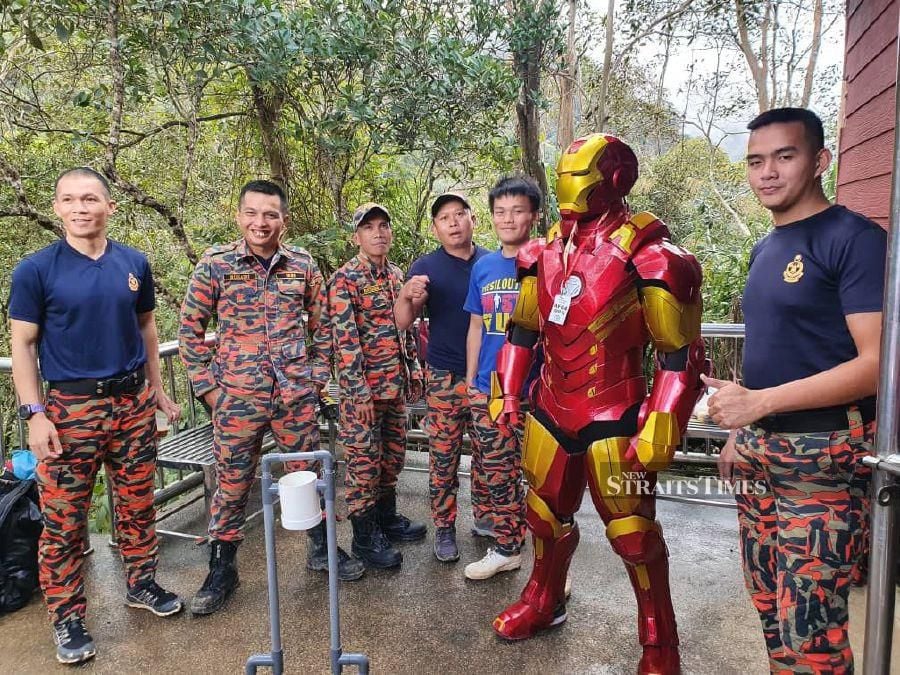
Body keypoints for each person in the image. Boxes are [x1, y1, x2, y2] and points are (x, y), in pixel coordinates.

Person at [489, 134, 707, 675]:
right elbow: (520, 332)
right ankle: (544, 600)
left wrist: (662, 422)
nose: (568, 186)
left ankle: (660, 643)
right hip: (550, 406)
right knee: (543, 516)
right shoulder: (545, 251)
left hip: (616, 412)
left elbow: (680, 354)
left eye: (578, 175)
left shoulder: (650, 254)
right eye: (562, 175)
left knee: (633, 535)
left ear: (613, 179)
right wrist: (508, 390)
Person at [705, 107, 886, 673]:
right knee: (768, 603)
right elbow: (775, 351)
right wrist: (743, 428)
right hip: (762, 449)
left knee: (811, 626)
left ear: (819, 161)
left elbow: (877, 363)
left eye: (785, 156)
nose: (768, 172)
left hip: (823, 455)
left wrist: (760, 404)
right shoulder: (765, 249)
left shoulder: (854, 239)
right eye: (756, 161)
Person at [9, 167, 183, 665]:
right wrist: (34, 414)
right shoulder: (37, 270)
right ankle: (67, 614)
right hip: (70, 409)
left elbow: (147, 329)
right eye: (69, 199)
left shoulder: (133, 262)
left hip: (131, 405)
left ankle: (142, 582)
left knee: (137, 503)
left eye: (90, 199)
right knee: (65, 520)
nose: (80, 208)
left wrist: (157, 389)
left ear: (109, 206)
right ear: (58, 208)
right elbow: (22, 345)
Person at [179, 179, 364, 617]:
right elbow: (189, 330)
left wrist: (317, 377)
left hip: (294, 396)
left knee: (308, 472)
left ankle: (321, 548)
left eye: (270, 215)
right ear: (239, 215)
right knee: (231, 483)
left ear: (284, 219)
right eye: (252, 213)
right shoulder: (216, 265)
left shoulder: (301, 265)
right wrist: (208, 388)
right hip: (236, 398)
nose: (260, 223)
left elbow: (324, 329)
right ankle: (221, 568)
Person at [316, 203, 426, 569]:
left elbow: (404, 330)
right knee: (363, 465)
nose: (378, 233)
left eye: (383, 226)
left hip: (394, 387)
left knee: (392, 458)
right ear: (356, 237)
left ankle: (386, 520)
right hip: (363, 393)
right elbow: (344, 342)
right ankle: (364, 539)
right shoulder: (345, 280)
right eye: (369, 228)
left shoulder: (396, 275)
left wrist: (413, 370)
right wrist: (357, 391)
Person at [394, 192, 489, 562]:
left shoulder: (493, 262)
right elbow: (403, 321)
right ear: (435, 228)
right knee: (444, 455)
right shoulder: (426, 267)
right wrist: (406, 296)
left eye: (459, 214)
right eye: (444, 218)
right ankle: (445, 527)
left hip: (486, 377)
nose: (453, 222)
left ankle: (486, 518)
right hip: (444, 377)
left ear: (473, 220)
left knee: (487, 452)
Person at [461, 176, 540, 580]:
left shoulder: (549, 263)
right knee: (495, 470)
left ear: (534, 215)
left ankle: (549, 557)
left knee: (543, 477)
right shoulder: (485, 266)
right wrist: (473, 381)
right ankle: (508, 546)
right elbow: (476, 325)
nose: (508, 219)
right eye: (500, 211)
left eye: (517, 210)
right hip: (489, 389)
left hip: (537, 390)